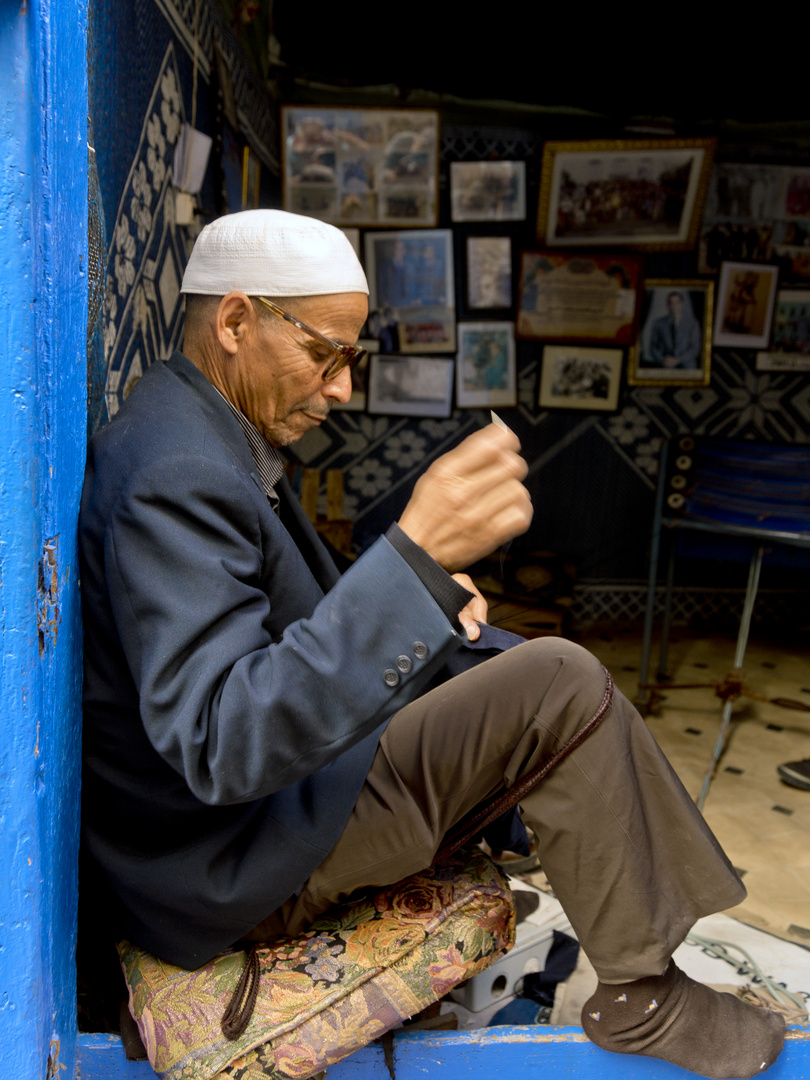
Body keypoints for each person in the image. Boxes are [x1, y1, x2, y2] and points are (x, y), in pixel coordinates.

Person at [79, 210, 784, 1080]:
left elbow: (297, 622)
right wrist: (410, 562)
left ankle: (552, 822)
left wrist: (427, 601)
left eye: (352, 361)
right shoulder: (177, 471)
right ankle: (643, 995)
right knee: (559, 678)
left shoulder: (208, 431)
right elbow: (223, 740)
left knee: (513, 659)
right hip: (228, 858)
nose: (340, 389)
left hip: (263, 811)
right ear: (234, 323)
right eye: (325, 354)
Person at [646, 291, 702, 369]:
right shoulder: (659, 324)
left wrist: (678, 360)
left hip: (687, 367)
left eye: (676, 302)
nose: (673, 306)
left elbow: (695, 348)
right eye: (670, 303)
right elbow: (653, 347)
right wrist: (662, 359)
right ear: (667, 305)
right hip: (666, 365)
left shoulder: (692, 323)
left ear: (681, 304)